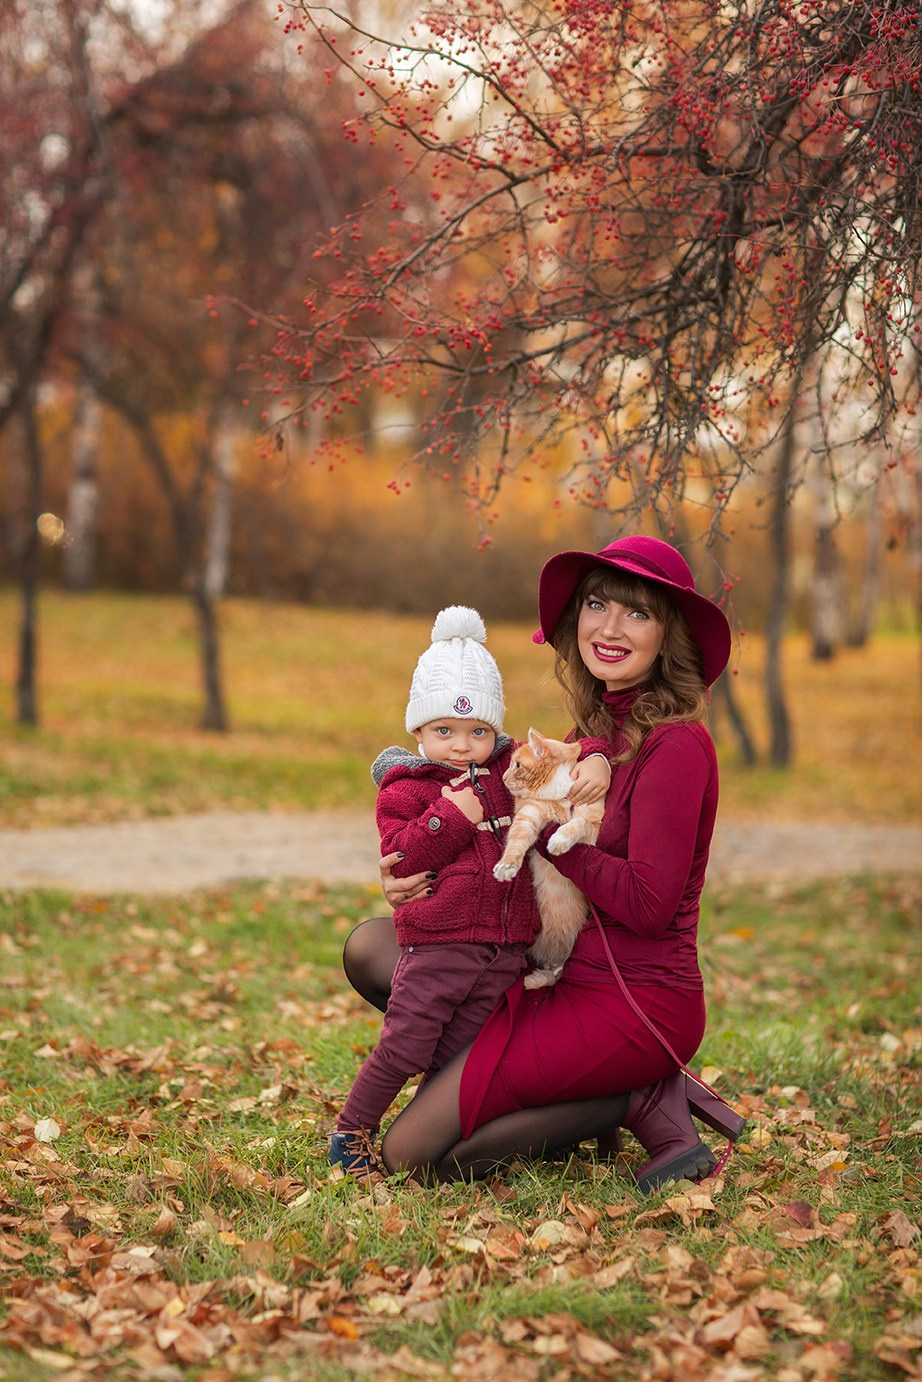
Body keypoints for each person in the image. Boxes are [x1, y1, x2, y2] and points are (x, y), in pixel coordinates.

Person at [341, 536, 747, 1192]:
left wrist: (548, 835)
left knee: (410, 1155)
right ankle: (541, 1085)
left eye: (638, 613)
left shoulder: (676, 746)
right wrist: (413, 874)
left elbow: (649, 906)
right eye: (597, 605)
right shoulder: (595, 733)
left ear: (667, 636)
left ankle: (634, 1095)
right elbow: (499, 827)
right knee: (371, 947)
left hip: (634, 1001)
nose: (610, 628)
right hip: (553, 968)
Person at [329, 605, 611, 1174]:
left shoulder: (509, 774)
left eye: (477, 732)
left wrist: (599, 758)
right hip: (439, 945)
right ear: (418, 731)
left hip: (505, 952)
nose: (461, 746)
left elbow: (564, 758)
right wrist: (450, 817)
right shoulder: (406, 788)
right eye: (444, 731)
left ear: (495, 733)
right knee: (406, 1044)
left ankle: (425, 1127)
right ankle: (351, 1132)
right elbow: (402, 855)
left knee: (461, 1053)